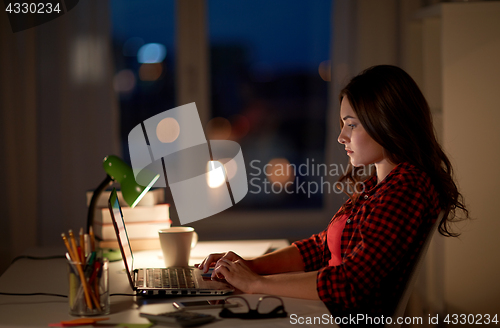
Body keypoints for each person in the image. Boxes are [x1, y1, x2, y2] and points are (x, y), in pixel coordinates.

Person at [196, 65, 468, 320]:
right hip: (325, 312)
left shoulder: (407, 190)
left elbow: (351, 283)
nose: (341, 137)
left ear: (386, 122)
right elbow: (320, 247)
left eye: (352, 124)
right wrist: (251, 267)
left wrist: (255, 283)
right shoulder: (379, 185)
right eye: (342, 124)